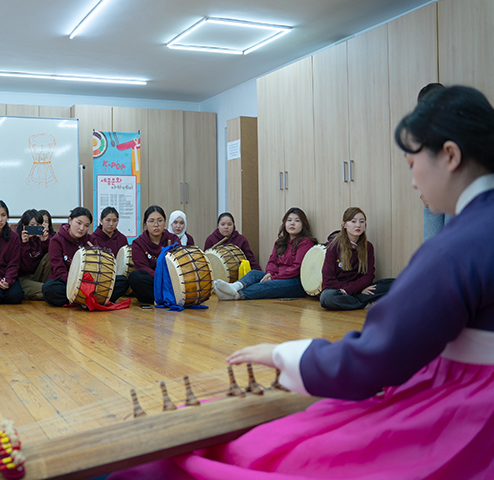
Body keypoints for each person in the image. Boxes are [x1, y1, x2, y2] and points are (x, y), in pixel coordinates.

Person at [109, 85, 494, 480]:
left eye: (413, 162)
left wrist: (285, 355)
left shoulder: (458, 246)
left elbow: (379, 355)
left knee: (272, 454)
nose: (412, 181)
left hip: (469, 413)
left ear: (449, 156)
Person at [214, 207, 314, 301]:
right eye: (289, 220)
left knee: (266, 285)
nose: (292, 224)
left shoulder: (305, 243)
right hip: (277, 276)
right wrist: (269, 273)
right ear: (284, 223)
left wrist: (273, 277)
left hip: (295, 282)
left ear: (303, 225)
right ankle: (234, 286)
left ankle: (235, 296)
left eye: (297, 221)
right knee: (254, 273)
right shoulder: (280, 242)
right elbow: (272, 261)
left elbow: (297, 268)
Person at [42, 207, 128, 307]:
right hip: (68, 282)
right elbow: (59, 270)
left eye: (86, 226)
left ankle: (82, 299)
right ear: (70, 220)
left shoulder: (91, 239)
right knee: (49, 288)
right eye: (79, 223)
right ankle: (91, 299)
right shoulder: (56, 240)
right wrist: (78, 285)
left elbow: (97, 267)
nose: (82, 228)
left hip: (90, 283)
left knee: (122, 281)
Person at [319, 207, 393, 310]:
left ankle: (356, 302)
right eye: (353, 221)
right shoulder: (333, 246)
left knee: (393, 283)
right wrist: (349, 290)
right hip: (339, 291)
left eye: (362, 222)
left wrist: (354, 289)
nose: (358, 225)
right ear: (344, 224)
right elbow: (328, 280)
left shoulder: (368, 247)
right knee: (327, 298)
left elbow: (369, 276)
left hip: (360, 289)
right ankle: (364, 304)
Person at [418, 82, 451, 241]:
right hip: (431, 197)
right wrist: (422, 193)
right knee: (431, 249)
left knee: (453, 246)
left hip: (454, 196)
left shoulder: (458, 126)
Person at [129, 206, 180, 304]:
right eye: (151, 221)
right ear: (145, 224)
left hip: (171, 281)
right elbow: (142, 268)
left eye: (160, 221)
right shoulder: (138, 243)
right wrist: (160, 276)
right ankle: (164, 298)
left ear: (165, 222)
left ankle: (168, 296)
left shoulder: (173, 239)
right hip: (153, 280)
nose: (156, 225)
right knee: (136, 277)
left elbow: (178, 264)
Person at [14, 209, 51, 300]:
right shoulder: (15, 239)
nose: (35, 228)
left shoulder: (41, 237)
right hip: (22, 278)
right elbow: (25, 267)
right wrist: (24, 244)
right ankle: (36, 290)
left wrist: (45, 242)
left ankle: (41, 288)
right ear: (24, 225)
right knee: (49, 291)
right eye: (32, 225)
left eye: (38, 225)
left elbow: (49, 261)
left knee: (50, 256)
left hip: (37, 275)